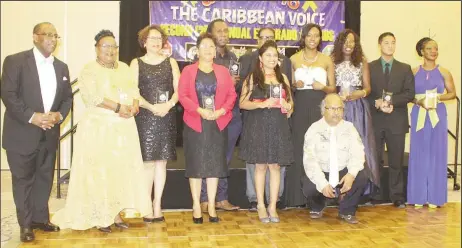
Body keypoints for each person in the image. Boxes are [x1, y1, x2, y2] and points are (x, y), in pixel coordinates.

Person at [51, 30, 151, 232]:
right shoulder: (89, 69)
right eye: (106, 46)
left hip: (123, 129)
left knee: (119, 173)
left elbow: (134, 91)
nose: (111, 50)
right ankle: (100, 216)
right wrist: (117, 108)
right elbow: (92, 97)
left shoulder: (124, 67)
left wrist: (134, 106)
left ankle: (115, 214)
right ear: (97, 48)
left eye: (114, 46)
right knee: (100, 173)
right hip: (99, 129)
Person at [1, 22, 72, 242]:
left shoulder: (61, 67)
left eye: (55, 35)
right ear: (35, 37)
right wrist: (33, 117)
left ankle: (40, 219)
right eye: (47, 34)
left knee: (44, 179)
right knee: (23, 181)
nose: (52, 39)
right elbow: (8, 94)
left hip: (49, 134)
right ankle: (25, 225)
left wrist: (58, 116)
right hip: (22, 134)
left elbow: (67, 98)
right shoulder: (15, 61)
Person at [178, 32, 237, 224]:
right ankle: (196, 204)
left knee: (214, 166)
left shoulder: (223, 71)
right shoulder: (188, 71)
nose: (208, 50)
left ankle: (211, 205)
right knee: (196, 165)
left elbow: (231, 95)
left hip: (217, 123)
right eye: (204, 46)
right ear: (197, 50)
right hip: (196, 122)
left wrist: (220, 111)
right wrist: (199, 110)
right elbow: (183, 95)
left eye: (212, 47)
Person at [239, 40, 294, 223]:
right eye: (268, 55)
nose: (272, 58)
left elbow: (291, 106)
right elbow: (242, 103)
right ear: (261, 58)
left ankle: (272, 206)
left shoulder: (283, 78)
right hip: (259, 126)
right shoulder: (253, 77)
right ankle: (261, 205)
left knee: (276, 167)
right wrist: (262, 104)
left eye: (275, 55)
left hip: (278, 127)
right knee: (261, 166)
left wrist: (287, 107)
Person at [130, 24, 180, 222]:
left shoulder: (171, 62)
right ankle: (145, 206)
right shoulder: (136, 63)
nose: (156, 42)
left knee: (162, 162)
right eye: (152, 38)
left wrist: (169, 104)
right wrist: (151, 107)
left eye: (159, 38)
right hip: (146, 116)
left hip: (166, 116)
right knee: (148, 163)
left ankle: (157, 204)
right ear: (144, 42)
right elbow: (133, 91)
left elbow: (179, 89)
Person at [285, 23, 336, 208]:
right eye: (309, 35)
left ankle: (320, 196)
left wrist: (322, 87)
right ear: (303, 38)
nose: (313, 39)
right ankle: (297, 197)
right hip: (300, 105)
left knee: (319, 149)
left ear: (320, 39)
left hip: (319, 106)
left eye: (316, 35)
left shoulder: (326, 60)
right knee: (300, 147)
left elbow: (333, 88)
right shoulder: (293, 59)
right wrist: (294, 84)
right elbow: (286, 85)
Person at [303, 94, 367, 224]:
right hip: (323, 172)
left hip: (342, 171)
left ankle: (347, 210)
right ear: (323, 110)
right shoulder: (313, 129)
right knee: (308, 184)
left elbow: (358, 154)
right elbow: (310, 161)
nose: (336, 112)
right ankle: (318, 205)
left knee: (362, 176)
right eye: (332, 108)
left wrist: (351, 174)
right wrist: (322, 184)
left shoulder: (350, 128)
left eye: (339, 109)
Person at [331, 29, 380, 199]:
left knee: (359, 145)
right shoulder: (331, 61)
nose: (349, 45)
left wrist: (360, 93)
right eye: (345, 41)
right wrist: (336, 97)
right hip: (338, 108)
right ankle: (338, 188)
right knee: (338, 146)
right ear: (339, 43)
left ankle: (360, 188)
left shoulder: (362, 62)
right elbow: (330, 87)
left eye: (352, 41)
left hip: (357, 108)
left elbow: (368, 88)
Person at [367, 32, 415, 208]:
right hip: (377, 119)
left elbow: (410, 93)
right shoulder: (369, 67)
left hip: (396, 120)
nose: (390, 46)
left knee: (396, 160)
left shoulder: (405, 68)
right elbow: (366, 92)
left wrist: (391, 101)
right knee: (376, 159)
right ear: (380, 45)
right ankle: (377, 194)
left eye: (393, 43)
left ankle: (397, 196)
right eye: (386, 43)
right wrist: (376, 102)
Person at [407, 37, 456, 208]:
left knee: (437, 153)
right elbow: (407, 94)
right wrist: (419, 101)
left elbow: (452, 93)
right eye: (429, 48)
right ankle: (417, 196)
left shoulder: (444, 72)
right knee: (418, 152)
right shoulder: (413, 72)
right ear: (421, 51)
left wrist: (436, 98)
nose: (433, 51)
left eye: (435, 48)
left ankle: (435, 197)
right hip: (419, 113)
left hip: (437, 114)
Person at [199, 19, 241, 212]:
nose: (223, 34)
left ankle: (222, 198)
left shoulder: (234, 57)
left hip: (230, 115)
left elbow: (236, 90)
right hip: (209, 115)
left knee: (225, 157)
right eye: (219, 31)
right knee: (207, 155)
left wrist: (234, 83)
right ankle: (205, 198)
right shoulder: (205, 58)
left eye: (226, 31)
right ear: (210, 35)